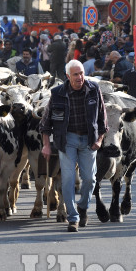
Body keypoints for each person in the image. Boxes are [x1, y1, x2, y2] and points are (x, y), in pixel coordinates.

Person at [39, 60, 108, 232]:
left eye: (82, 73)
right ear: (68, 76)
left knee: (90, 179)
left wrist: (99, 140)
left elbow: (102, 119)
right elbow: (45, 123)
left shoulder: (94, 90)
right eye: (76, 74)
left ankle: (83, 207)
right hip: (67, 140)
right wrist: (46, 145)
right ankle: (73, 217)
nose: (80, 77)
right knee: (68, 179)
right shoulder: (57, 94)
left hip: (88, 139)